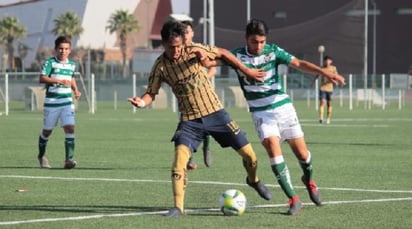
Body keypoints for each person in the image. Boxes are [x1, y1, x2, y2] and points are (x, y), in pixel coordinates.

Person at [127, 20, 271, 217]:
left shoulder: (194, 49)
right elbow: (151, 93)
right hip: (190, 121)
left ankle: (253, 181)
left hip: (216, 113)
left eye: (179, 46)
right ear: (163, 44)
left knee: (251, 156)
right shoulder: (160, 66)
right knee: (179, 159)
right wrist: (142, 102)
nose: (176, 51)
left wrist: (247, 71)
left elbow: (224, 53)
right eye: (171, 47)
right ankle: (178, 207)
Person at [203, 19, 345, 216]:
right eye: (254, 42)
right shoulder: (236, 55)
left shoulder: (273, 51)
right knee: (272, 147)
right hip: (261, 113)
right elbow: (209, 61)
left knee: (303, 155)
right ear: (246, 39)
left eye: (261, 41)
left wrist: (325, 73)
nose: (259, 46)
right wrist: (201, 53)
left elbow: (299, 63)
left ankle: (309, 181)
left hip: (284, 108)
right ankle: (293, 199)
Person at [37, 36, 81, 169]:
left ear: (70, 50)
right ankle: (41, 155)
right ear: (56, 49)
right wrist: (59, 81)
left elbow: (71, 77)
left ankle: (69, 160)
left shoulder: (72, 64)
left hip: (67, 102)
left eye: (66, 49)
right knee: (47, 131)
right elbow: (42, 78)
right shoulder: (50, 62)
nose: (63, 51)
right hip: (52, 102)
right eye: (61, 48)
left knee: (70, 127)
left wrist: (76, 90)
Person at [181, 20, 216, 170]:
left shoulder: (199, 49)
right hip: (185, 98)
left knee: (207, 125)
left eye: (187, 32)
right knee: (186, 128)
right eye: (182, 32)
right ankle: (190, 160)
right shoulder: (177, 52)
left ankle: (206, 148)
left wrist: (203, 79)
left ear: (192, 33)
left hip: (204, 96)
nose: (185, 35)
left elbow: (213, 68)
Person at [315, 55, 338, 124]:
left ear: (331, 61)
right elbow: (317, 74)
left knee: (329, 103)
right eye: (326, 60)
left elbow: (336, 76)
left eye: (329, 60)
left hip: (330, 88)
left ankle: (328, 118)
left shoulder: (333, 68)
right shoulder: (322, 68)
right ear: (324, 61)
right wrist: (314, 79)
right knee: (322, 102)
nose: (327, 61)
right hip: (322, 88)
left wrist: (335, 80)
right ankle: (321, 118)